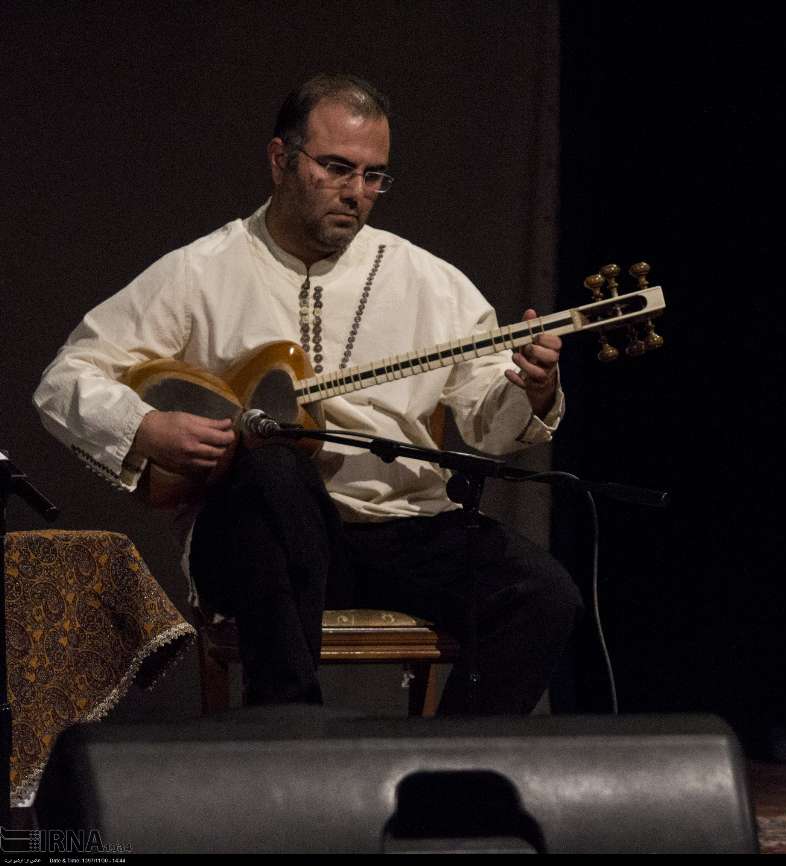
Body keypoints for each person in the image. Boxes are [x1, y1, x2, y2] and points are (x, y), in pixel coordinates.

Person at [34, 73, 582, 715]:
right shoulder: (202, 272)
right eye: (337, 168)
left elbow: (492, 426)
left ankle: (445, 781)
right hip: (255, 539)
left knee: (541, 592)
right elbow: (65, 379)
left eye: (374, 175)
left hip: (398, 530)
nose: (357, 193)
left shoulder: (429, 281)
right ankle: (290, 743)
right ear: (279, 160)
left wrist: (535, 388)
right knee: (272, 465)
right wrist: (146, 428)